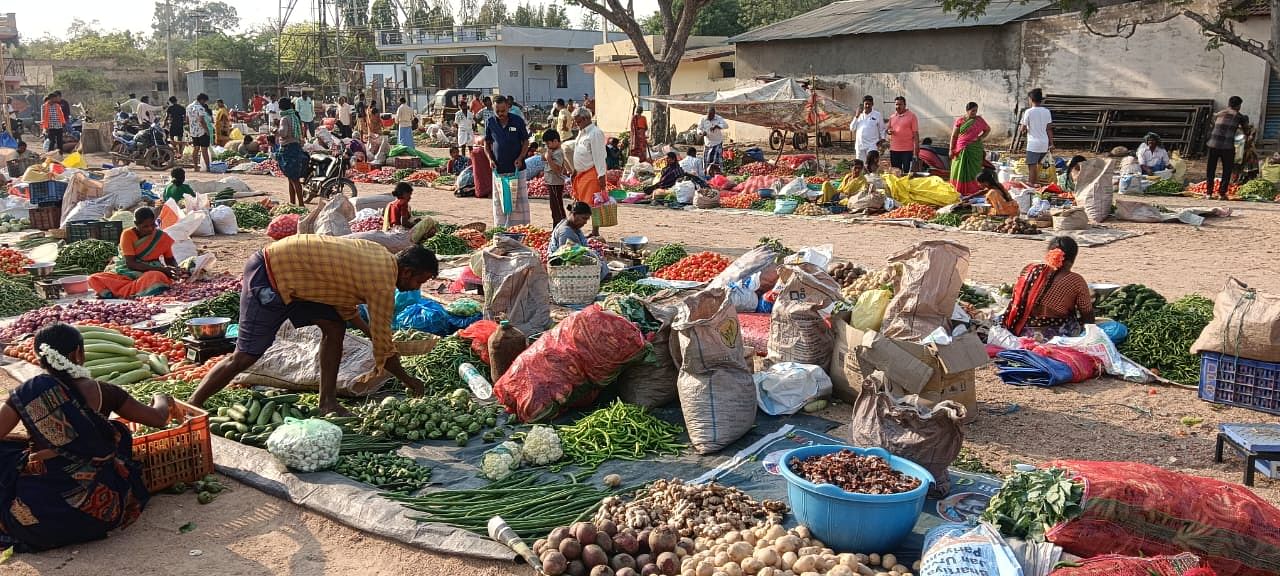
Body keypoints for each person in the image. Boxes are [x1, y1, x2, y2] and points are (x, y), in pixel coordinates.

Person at [188, 237, 438, 415]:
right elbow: (384, 346)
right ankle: (193, 404)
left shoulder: (381, 257)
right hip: (272, 274)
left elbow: (344, 303)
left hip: (300, 278)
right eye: (419, 280)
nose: (417, 287)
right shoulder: (383, 283)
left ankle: (327, 402)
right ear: (406, 272)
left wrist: (368, 331)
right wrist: (409, 380)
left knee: (334, 327)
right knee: (245, 355)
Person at [0, 323, 176, 552]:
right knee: (116, 432)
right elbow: (158, 419)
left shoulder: (29, 392)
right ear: (78, 354)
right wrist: (161, 397)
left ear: (38, 357)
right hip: (101, 513)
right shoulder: (106, 392)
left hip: (38, 519)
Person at [1001, 236, 1095, 340]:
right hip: (1056, 335)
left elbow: (1016, 301)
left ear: (1048, 253)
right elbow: (1087, 316)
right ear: (1072, 258)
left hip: (1022, 330)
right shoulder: (1075, 281)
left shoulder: (1030, 270)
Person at [86, 207, 182, 299]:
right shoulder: (128, 234)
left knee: (156, 276)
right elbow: (131, 263)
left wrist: (176, 269)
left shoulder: (161, 237)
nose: (150, 229)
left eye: (153, 225)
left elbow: (170, 259)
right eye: (145, 226)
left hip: (149, 273)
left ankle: (120, 291)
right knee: (93, 278)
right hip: (127, 271)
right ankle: (137, 290)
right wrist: (162, 269)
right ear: (136, 224)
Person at [484, 96, 531, 227]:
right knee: (501, 202)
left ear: (508, 107)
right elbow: (486, 144)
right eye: (497, 111)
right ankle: (501, 229)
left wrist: (520, 158)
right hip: (499, 170)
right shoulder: (490, 122)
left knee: (518, 203)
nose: (500, 114)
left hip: (517, 169)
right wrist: (490, 160)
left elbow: (526, 142)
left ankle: (521, 229)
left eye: (503, 110)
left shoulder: (517, 121)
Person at [571, 107, 607, 237]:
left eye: (578, 121)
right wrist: (575, 170)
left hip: (592, 173)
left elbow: (599, 156)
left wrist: (601, 175)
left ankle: (595, 231)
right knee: (581, 203)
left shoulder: (595, 133)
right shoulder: (582, 132)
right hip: (581, 174)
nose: (576, 124)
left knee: (593, 205)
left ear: (586, 118)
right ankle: (581, 229)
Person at [1206, 95, 1248, 200]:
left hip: (1213, 144)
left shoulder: (1220, 113)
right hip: (1227, 146)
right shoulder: (1239, 117)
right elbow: (1246, 131)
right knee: (1227, 170)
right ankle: (1221, 193)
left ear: (1229, 104)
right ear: (1238, 106)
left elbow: (1213, 122)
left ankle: (1209, 193)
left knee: (1211, 169)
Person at [948, 101, 991, 198]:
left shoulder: (979, 120)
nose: (974, 113)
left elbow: (988, 129)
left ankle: (974, 189)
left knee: (974, 170)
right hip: (961, 148)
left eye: (976, 111)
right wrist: (951, 149)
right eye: (972, 111)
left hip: (975, 149)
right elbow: (954, 136)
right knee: (958, 168)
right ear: (967, 111)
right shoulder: (960, 121)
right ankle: (958, 188)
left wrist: (980, 137)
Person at [276, 97, 308, 206]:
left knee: (294, 179)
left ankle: (301, 204)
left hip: (288, 149)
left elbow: (284, 133)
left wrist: (275, 130)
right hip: (296, 148)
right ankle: (292, 203)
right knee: (291, 178)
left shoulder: (284, 118)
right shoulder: (294, 116)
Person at [1019, 88, 1054, 187]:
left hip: (1033, 144)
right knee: (1041, 167)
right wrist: (1051, 143)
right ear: (1041, 99)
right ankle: (1039, 185)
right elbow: (1049, 129)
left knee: (1032, 167)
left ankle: (1031, 185)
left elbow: (1022, 129)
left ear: (1030, 99)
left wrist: (1023, 130)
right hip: (1044, 143)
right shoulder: (1047, 112)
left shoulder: (1028, 112)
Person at [542, 129, 570, 227]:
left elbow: (557, 169)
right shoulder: (553, 151)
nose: (547, 146)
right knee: (554, 206)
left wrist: (549, 158)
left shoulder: (558, 153)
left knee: (557, 206)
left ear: (555, 141)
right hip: (551, 182)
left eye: (548, 143)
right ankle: (557, 226)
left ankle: (563, 226)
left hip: (555, 183)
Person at [849, 95, 886, 167]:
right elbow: (852, 128)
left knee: (871, 165)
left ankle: (872, 178)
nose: (868, 105)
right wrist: (856, 116)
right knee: (860, 165)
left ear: (872, 104)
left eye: (869, 104)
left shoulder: (877, 115)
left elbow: (882, 129)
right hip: (860, 145)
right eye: (866, 104)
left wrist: (883, 139)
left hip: (872, 145)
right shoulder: (858, 115)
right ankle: (863, 178)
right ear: (863, 104)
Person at [887, 96, 919, 174]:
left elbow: (916, 134)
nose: (898, 106)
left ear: (905, 105)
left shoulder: (912, 116)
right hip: (894, 150)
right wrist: (888, 131)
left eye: (900, 104)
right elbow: (888, 130)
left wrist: (916, 151)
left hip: (907, 150)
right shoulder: (892, 117)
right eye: (896, 104)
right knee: (896, 173)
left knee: (907, 173)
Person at [186, 93, 213, 172]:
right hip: (202, 131)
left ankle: (195, 167)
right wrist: (207, 131)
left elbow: (187, 120)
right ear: (202, 100)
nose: (205, 103)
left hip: (193, 131)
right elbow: (201, 121)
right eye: (204, 101)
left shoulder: (188, 107)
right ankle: (208, 167)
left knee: (196, 149)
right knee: (204, 149)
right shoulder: (200, 108)